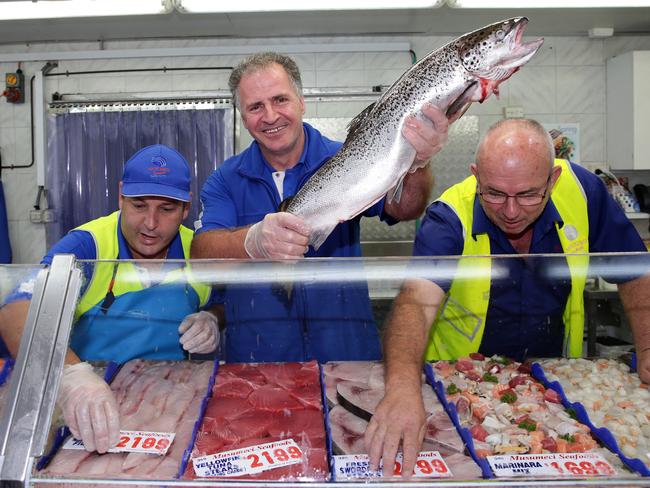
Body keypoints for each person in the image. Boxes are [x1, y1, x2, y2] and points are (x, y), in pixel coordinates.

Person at [366, 118, 650, 477]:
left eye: (529, 194)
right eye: (495, 194)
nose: (511, 211)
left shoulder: (584, 192)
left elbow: (636, 269)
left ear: (553, 179)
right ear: (476, 175)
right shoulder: (449, 216)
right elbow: (414, 304)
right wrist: (403, 389)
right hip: (463, 389)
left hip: (551, 384)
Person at [191, 51, 449, 363]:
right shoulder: (225, 180)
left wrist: (416, 161)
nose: (270, 116)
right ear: (243, 117)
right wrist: (252, 241)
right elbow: (202, 258)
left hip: (347, 355)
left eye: (280, 100)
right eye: (256, 107)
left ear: (301, 102)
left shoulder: (350, 157)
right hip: (258, 362)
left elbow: (405, 208)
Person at [0, 144, 221, 454]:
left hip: (168, 405)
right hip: (90, 409)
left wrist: (213, 318)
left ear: (186, 209)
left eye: (167, 209)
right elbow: (15, 311)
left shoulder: (198, 250)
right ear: (120, 197)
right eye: (139, 205)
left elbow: (224, 300)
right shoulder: (88, 245)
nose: (150, 223)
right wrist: (71, 377)